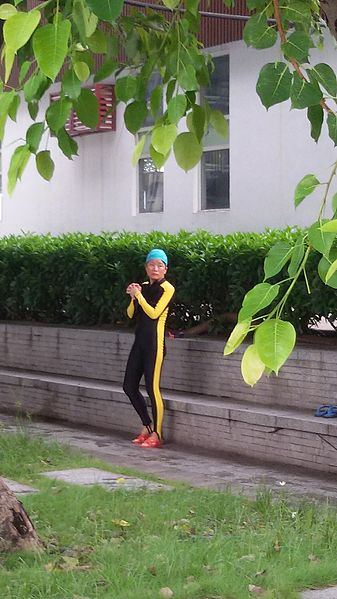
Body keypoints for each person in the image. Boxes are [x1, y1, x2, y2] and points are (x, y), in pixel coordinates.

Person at [123, 248, 175, 448]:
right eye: (151, 265)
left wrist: (140, 296)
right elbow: (130, 315)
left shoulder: (167, 288)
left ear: (165, 269)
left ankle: (158, 434)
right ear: (146, 268)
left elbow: (154, 313)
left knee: (153, 389)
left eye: (159, 266)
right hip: (140, 343)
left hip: (155, 345)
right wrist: (133, 297)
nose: (155, 269)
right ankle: (147, 425)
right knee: (128, 386)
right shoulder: (143, 287)